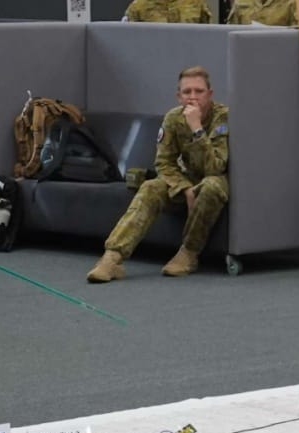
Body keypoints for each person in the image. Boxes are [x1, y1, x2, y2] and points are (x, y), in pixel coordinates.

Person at [87, 66, 230, 282]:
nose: (193, 97)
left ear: (210, 94)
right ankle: (112, 258)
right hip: (185, 181)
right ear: (178, 96)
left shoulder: (222, 118)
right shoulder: (173, 118)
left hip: (216, 181)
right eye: (187, 92)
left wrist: (197, 129)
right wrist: (185, 189)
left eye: (199, 91)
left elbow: (215, 167)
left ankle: (189, 254)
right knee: (150, 187)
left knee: (211, 185)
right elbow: (164, 164)